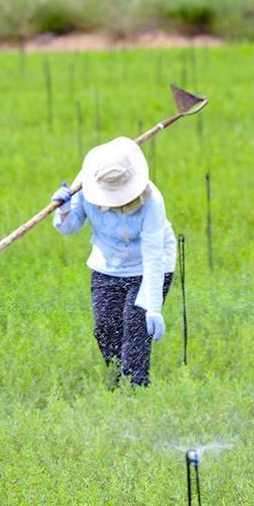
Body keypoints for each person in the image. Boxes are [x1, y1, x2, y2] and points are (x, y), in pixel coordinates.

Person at [51, 136, 176, 388]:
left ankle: (137, 392)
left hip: (148, 268)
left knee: (136, 333)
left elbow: (153, 255)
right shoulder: (86, 189)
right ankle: (119, 385)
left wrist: (153, 307)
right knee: (106, 331)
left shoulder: (153, 201)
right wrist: (64, 208)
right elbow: (70, 226)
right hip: (107, 267)